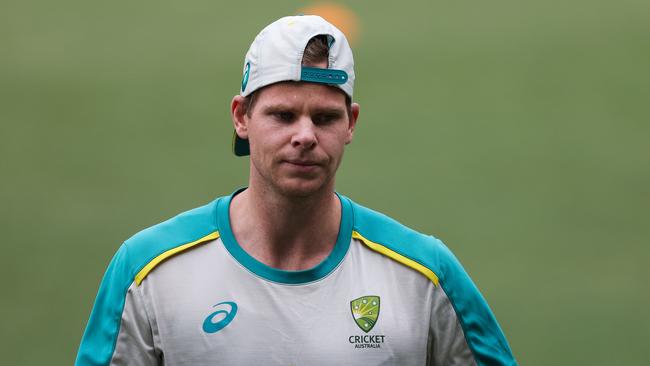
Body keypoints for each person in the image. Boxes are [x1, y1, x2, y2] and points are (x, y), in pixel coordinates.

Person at [75, 15, 516, 366]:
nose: (305, 135)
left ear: (351, 124)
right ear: (241, 117)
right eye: (283, 116)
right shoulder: (148, 274)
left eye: (324, 118)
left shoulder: (424, 276)